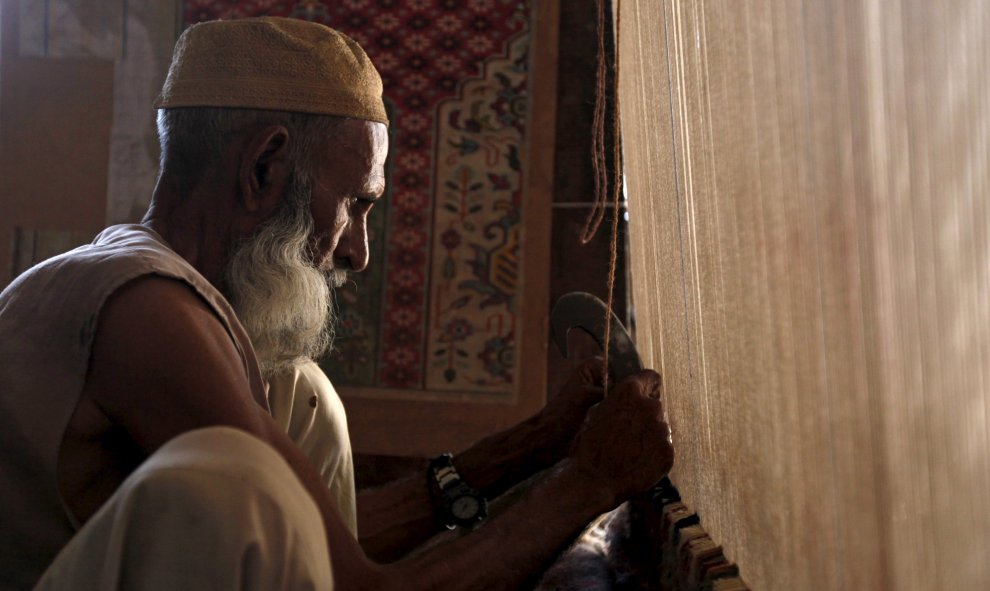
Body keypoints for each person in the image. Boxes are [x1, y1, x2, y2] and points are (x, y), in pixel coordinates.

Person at [0, 17, 673, 589]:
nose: (358, 253)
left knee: (298, 391)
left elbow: (330, 541)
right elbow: (353, 584)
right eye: (356, 204)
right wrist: (588, 482)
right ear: (265, 166)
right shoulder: (146, 312)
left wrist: (539, 445)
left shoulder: (159, 282)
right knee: (232, 481)